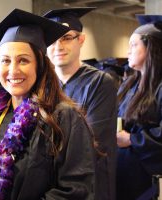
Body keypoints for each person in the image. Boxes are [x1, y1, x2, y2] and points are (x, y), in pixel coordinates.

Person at [0, 8, 95, 199]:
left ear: (40, 65)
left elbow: (75, 190)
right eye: (5, 61)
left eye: (23, 60)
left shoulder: (63, 118)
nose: (13, 70)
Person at [43, 7, 117, 200]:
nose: (58, 46)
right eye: (52, 39)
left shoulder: (100, 83)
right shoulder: (43, 85)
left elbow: (92, 140)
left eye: (66, 37)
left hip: (88, 181)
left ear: (81, 40)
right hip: (51, 181)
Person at [116, 15, 162, 200]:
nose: (128, 51)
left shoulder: (160, 87)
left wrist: (132, 140)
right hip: (121, 172)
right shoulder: (129, 84)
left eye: (133, 45)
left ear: (151, 48)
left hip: (143, 181)